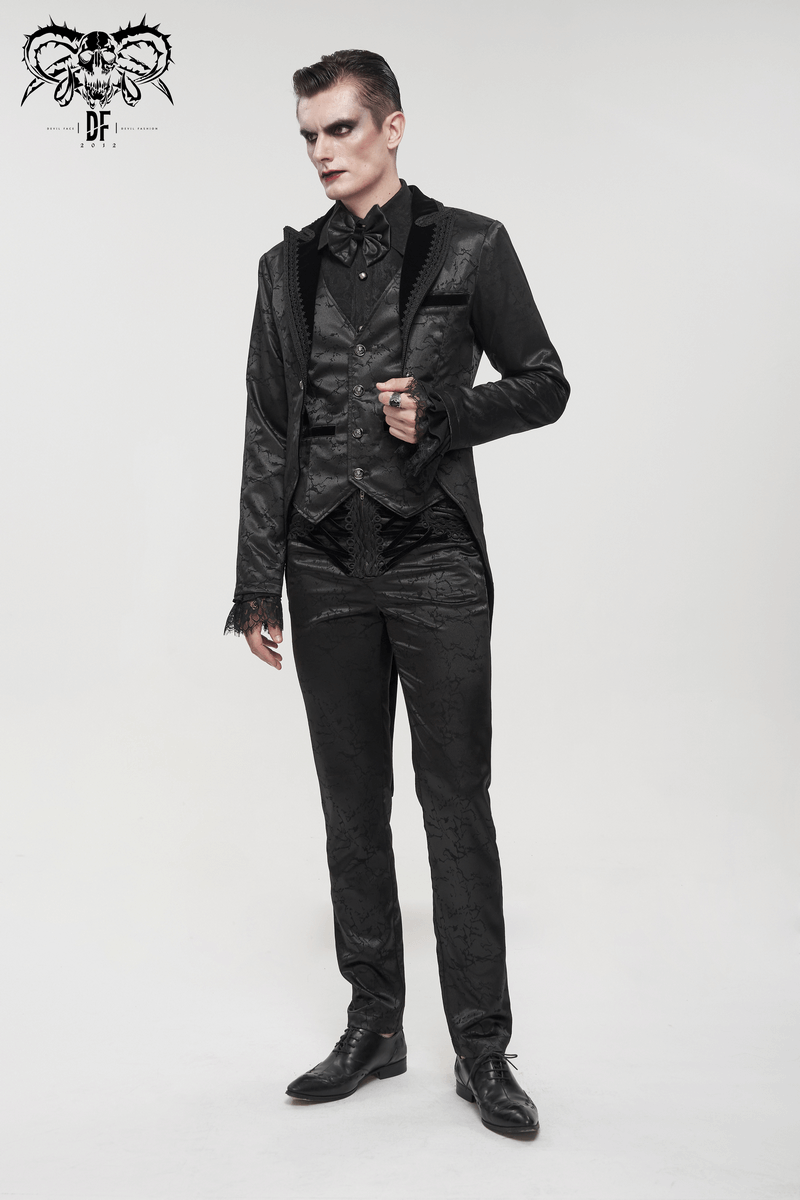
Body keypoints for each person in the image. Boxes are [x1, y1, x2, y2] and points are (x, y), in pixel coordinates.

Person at [225, 49, 569, 1135]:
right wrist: (256, 582)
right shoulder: (284, 269)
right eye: (309, 135)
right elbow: (269, 427)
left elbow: (545, 382)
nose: (323, 152)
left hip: (435, 559)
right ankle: (373, 1025)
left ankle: (482, 1050)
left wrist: (447, 413)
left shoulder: (471, 244)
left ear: (392, 127)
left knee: (454, 801)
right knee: (350, 803)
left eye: (340, 129)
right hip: (322, 563)